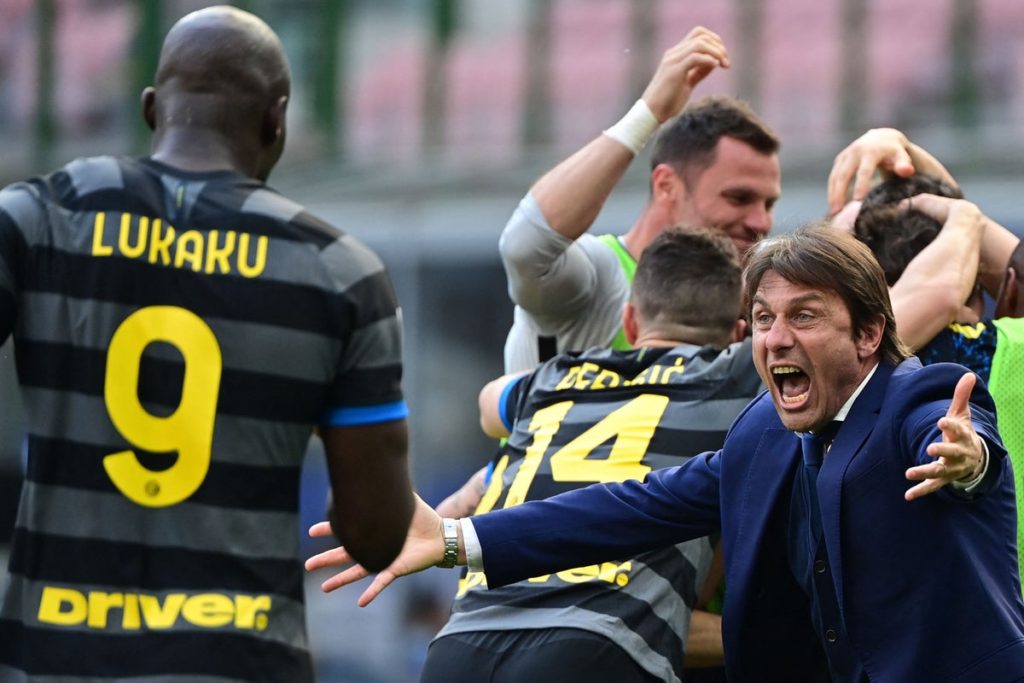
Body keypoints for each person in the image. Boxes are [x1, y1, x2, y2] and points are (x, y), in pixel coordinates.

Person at [309, 227, 1024, 681]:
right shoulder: (762, 432)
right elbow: (629, 508)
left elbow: (959, 442)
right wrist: (454, 539)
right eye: (764, 318)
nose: (776, 338)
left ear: (868, 335)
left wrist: (967, 458)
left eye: (804, 316)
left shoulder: (917, 397)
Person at [0, 6, 414, 681]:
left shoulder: (39, 218)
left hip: (53, 657)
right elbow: (377, 534)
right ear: (276, 120)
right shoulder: (340, 272)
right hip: (237, 659)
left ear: (151, 108)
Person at [409, 227, 761, 683]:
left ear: (630, 322)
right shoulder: (734, 378)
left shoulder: (551, 378)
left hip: (459, 644)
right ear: (738, 334)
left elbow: (489, 404)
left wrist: (491, 473)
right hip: (592, 645)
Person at [500, 26, 780, 372]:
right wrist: (648, 114)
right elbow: (524, 248)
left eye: (768, 204)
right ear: (667, 186)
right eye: (739, 198)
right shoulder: (595, 279)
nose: (760, 222)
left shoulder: (757, 309)